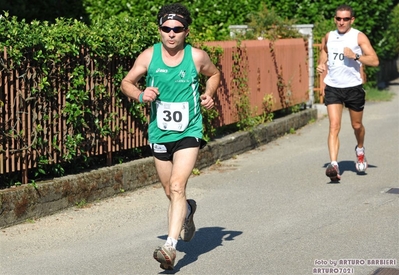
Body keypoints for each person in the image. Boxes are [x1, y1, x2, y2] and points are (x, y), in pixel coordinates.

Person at [120, 3, 220, 270]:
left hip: (190, 131)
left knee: (177, 186)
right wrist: (141, 95)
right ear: (160, 29)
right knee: (169, 190)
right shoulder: (148, 56)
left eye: (177, 29)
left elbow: (215, 74)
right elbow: (126, 83)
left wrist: (209, 93)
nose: (171, 34)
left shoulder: (197, 57)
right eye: (166, 29)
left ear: (186, 31)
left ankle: (170, 247)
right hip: (160, 132)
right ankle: (187, 211)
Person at [316, 4, 379, 182]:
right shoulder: (329, 36)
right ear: (335, 19)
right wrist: (322, 65)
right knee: (334, 126)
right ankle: (334, 165)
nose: (341, 22)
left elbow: (374, 60)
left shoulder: (358, 36)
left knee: (356, 126)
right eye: (338, 19)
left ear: (352, 20)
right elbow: (324, 51)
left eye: (345, 19)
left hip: (353, 88)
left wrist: (356, 56)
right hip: (333, 87)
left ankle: (360, 149)